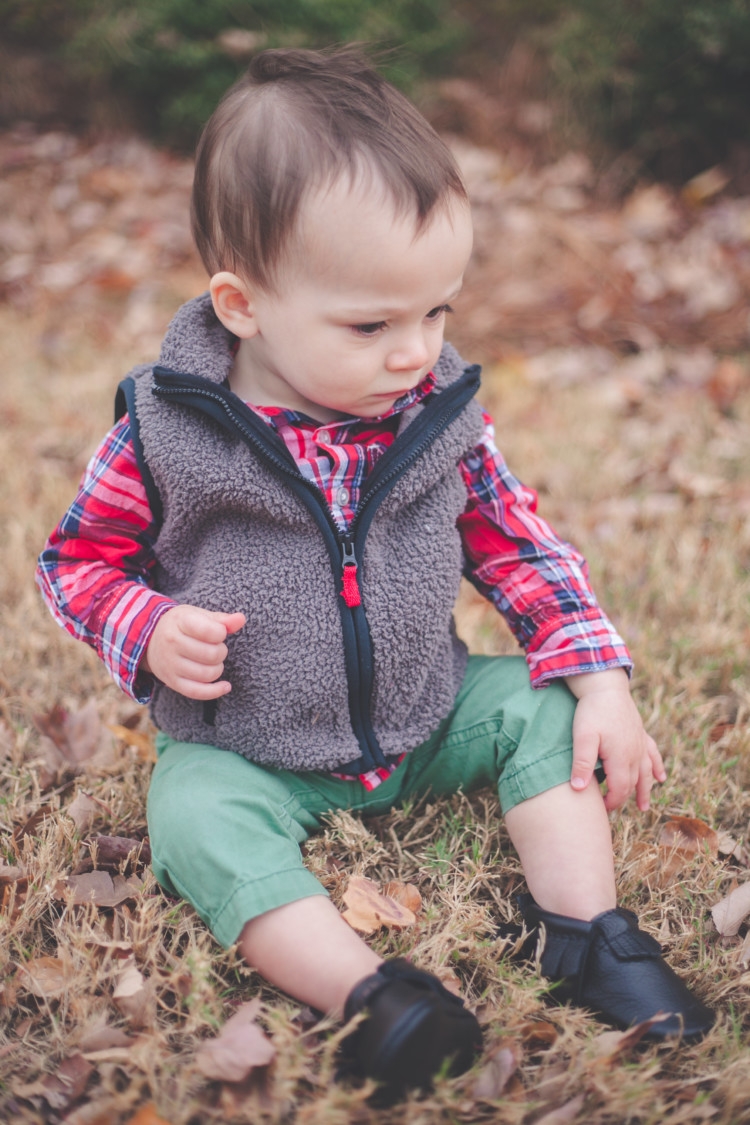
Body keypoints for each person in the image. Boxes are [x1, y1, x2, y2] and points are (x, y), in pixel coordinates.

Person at [37, 46, 714, 1100]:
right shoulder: (167, 432)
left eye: (437, 311)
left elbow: (517, 542)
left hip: (428, 708)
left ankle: (587, 935)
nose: (416, 353)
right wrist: (144, 622)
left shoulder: (434, 414)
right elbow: (77, 561)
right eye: (373, 324)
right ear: (243, 304)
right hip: (248, 745)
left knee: (543, 710)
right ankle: (373, 997)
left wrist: (601, 677)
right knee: (193, 820)